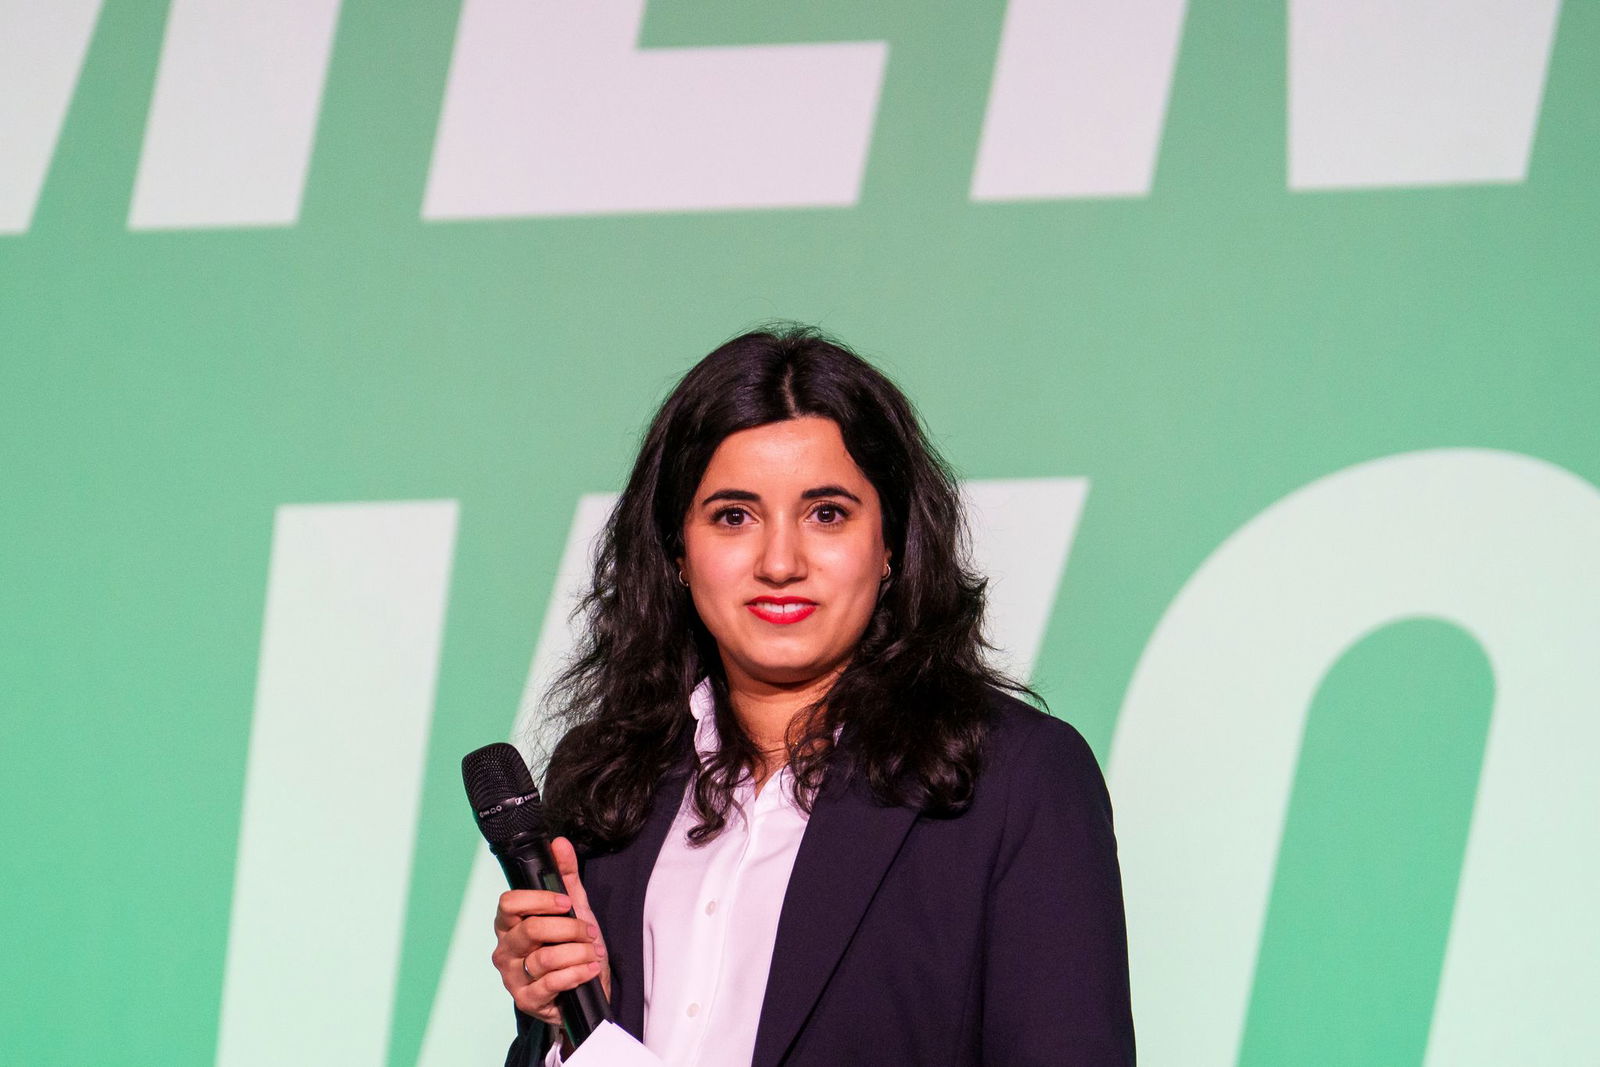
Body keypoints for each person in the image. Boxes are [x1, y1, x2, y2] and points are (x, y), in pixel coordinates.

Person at [490, 326, 1135, 1066]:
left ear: (891, 542)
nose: (780, 561)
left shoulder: (1016, 777)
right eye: (734, 515)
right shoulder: (609, 783)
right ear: (676, 551)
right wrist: (566, 1028)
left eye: (827, 512)